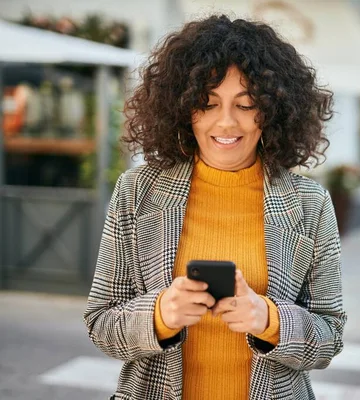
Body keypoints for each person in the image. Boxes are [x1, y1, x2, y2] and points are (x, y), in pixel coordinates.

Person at [83, 15, 346, 400]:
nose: (225, 122)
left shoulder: (310, 203)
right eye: (207, 103)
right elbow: (101, 325)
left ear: (272, 112)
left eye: (246, 104)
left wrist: (270, 320)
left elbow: (330, 335)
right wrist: (160, 315)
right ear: (184, 108)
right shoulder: (137, 191)